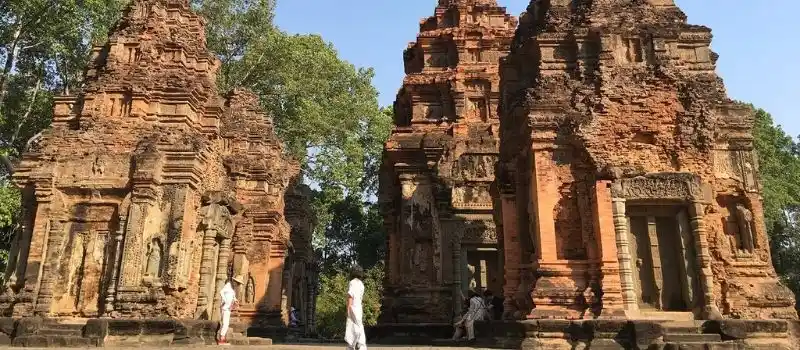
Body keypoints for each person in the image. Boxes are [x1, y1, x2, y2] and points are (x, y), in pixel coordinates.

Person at [345, 265, 367, 350]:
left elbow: (351, 296)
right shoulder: (361, 284)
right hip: (359, 307)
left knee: (351, 326)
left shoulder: (352, 282)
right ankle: (361, 346)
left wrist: (348, 308)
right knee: (359, 326)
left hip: (353, 307)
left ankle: (351, 346)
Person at [218, 275, 243, 346]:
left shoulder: (232, 289)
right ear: (234, 281)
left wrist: (235, 300)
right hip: (225, 308)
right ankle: (221, 340)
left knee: (226, 324)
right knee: (225, 324)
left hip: (228, 308)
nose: (237, 284)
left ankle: (223, 339)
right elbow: (221, 292)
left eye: (239, 283)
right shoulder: (228, 285)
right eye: (237, 283)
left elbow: (232, 297)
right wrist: (225, 301)